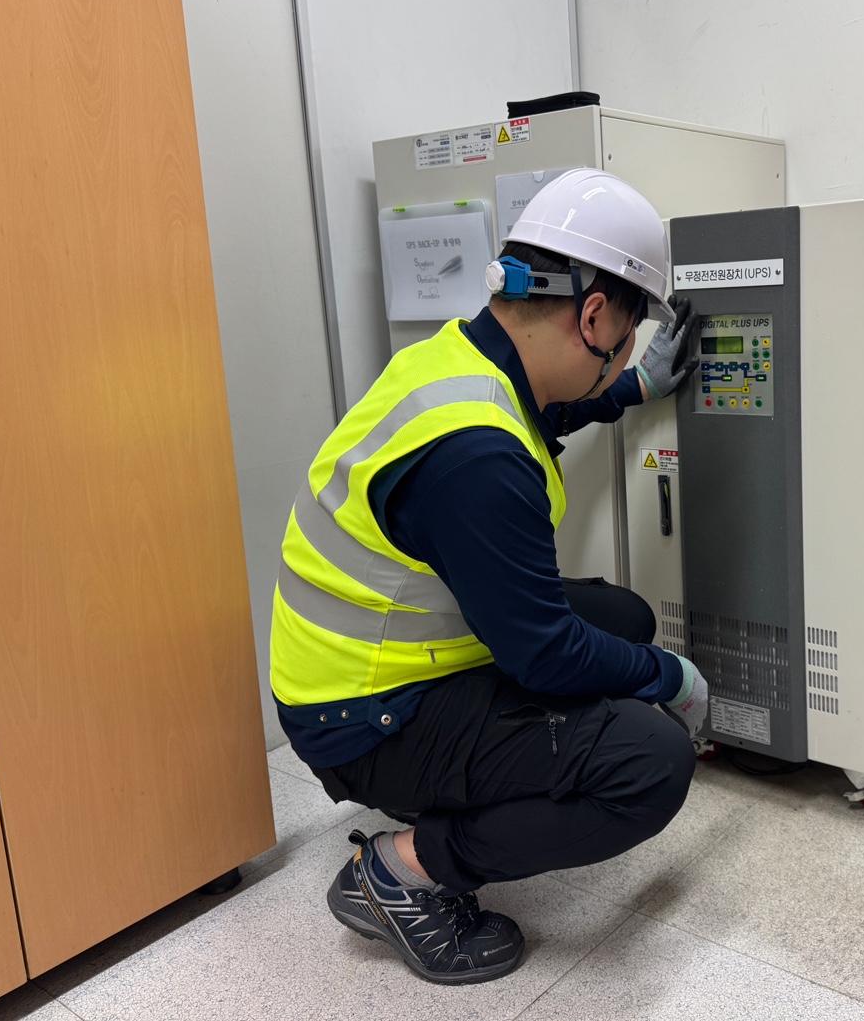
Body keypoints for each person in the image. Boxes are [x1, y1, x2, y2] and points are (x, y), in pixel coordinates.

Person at [269, 168, 709, 985]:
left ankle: (456, 796)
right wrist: (670, 678)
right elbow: (545, 655)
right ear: (593, 315)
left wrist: (631, 388)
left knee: (623, 620)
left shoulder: (458, 359)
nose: (621, 359)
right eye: (625, 343)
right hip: (363, 716)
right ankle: (401, 871)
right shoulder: (477, 457)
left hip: (371, 661)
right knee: (651, 761)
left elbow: (542, 402)